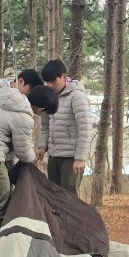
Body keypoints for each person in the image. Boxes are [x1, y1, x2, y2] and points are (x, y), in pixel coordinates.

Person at [0, 78, 59, 257]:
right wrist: (34, 159)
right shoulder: (24, 116)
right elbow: (24, 153)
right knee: (3, 204)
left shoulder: (4, 95)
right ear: (41, 110)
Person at [37, 58, 93, 195]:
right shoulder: (48, 96)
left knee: (69, 197)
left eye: (53, 81)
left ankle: (74, 218)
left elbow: (85, 128)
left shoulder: (77, 96)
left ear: (63, 77)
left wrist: (80, 158)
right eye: (47, 82)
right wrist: (42, 146)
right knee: (54, 196)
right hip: (54, 155)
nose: (49, 85)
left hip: (71, 157)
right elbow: (45, 126)